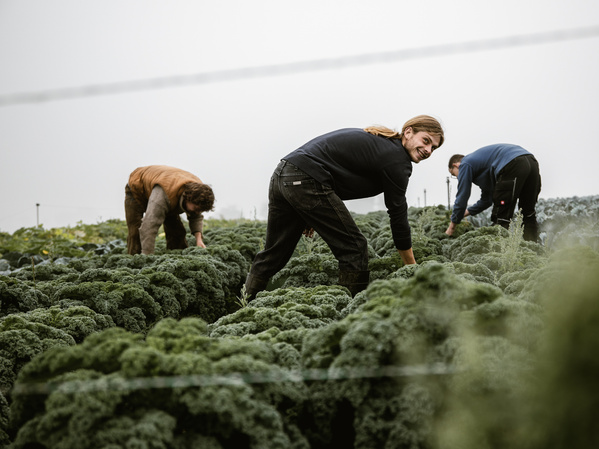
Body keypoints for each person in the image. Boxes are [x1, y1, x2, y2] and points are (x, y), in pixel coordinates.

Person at [243, 115, 445, 300]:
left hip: (284, 174)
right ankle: (349, 311)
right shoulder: (397, 158)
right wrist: (411, 267)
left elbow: (331, 167)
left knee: (274, 253)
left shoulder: (384, 145)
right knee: (354, 248)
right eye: (426, 140)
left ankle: (245, 303)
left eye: (433, 148)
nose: (428, 150)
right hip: (305, 179)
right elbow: (398, 214)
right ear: (408, 132)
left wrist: (306, 212)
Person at [445, 144, 541, 241]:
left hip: (512, 163)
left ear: (456, 165)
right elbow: (486, 200)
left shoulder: (465, 164)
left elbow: (462, 195)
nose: (457, 177)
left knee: (501, 217)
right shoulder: (483, 165)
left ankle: (498, 249)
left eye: (453, 174)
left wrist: (452, 226)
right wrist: (466, 212)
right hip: (531, 162)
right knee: (528, 213)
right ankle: (533, 247)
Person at [124, 165, 215, 255]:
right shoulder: (162, 197)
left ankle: (177, 257)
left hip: (168, 190)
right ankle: (134, 258)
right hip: (137, 188)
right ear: (188, 198)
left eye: (200, 210)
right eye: (196, 209)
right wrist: (147, 256)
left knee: (177, 231)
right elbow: (149, 226)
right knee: (135, 232)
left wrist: (199, 240)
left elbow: (196, 217)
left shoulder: (199, 193)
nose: (197, 212)